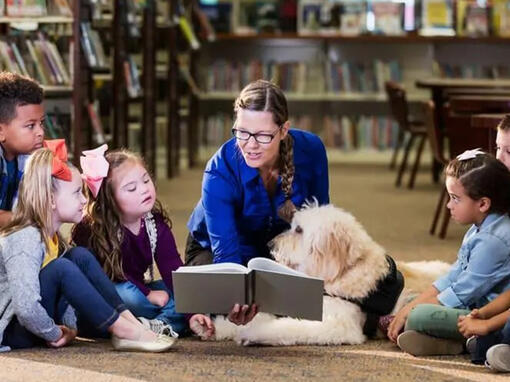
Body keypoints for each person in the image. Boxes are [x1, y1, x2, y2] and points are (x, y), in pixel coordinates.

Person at [0, 140, 174, 352]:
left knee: (79, 255)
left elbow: (65, 298)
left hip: (37, 322)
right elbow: (26, 309)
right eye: (76, 193)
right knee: (61, 268)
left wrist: (70, 328)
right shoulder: (25, 237)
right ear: (51, 199)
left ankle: (129, 322)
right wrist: (53, 333)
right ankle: (124, 330)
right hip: (11, 331)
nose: (84, 200)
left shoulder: (54, 239)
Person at [186, 80, 329, 326]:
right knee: (232, 302)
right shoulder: (218, 171)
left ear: (284, 130)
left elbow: (320, 222)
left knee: (343, 290)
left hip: (280, 250)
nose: (250, 145)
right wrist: (234, 296)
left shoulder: (312, 149)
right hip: (216, 251)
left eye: (263, 135)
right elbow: (226, 258)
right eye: (242, 132)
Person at [72, 146, 214, 339]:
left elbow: (173, 269)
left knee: (189, 289)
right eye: (132, 188)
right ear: (109, 200)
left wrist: (191, 312)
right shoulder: (92, 228)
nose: (144, 189)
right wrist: (147, 294)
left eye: (146, 180)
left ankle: (151, 326)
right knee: (129, 296)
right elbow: (102, 277)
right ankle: (155, 322)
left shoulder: (154, 224)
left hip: (140, 289)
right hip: (104, 296)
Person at [387, 149, 510, 356]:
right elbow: (453, 276)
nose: (448, 205)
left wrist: (411, 311)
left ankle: (463, 342)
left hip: (487, 315)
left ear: (483, 203)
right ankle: (450, 344)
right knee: (409, 302)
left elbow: (461, 292)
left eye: (455, 199)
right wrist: (412, 305)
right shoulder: (479, 227)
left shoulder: (493, 241)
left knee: (418, 316)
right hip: (472, 304)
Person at [0, 72, 45, 227]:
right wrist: (30, 221)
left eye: (42, 123)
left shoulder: (32, 157)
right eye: (30, 126)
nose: (40, 132)